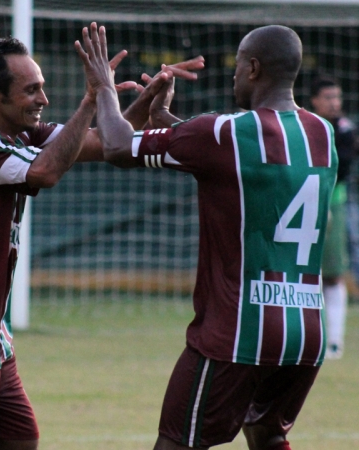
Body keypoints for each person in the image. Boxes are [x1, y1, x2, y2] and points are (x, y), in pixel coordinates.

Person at [0, 36, 204, 450]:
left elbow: (103, 142)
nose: (43, 98)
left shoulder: (20, 134)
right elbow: (47, 172)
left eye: (42, 87)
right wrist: (96, 94)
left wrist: (148, 102)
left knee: (21, 437)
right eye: (31, 90)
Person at [76, 23, 337, 450]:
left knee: (175, 442)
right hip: (305, 330)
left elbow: (118, 148)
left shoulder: (225, 133)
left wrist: (103, 87)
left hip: (238, 329)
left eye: (236, 66)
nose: (233, 75)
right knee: (267, 433)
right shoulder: (321, 134)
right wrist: (164, 122)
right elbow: (240, 162)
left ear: (253, 68)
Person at [310, 76, 357, 359]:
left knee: (334, 274)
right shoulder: (304, 126)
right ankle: (309, 337)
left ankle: (335, 342)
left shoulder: (344, 130)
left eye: (337, 97)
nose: (334, 103)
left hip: (333, 203)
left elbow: (344, 168)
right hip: (302, 203)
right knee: (303, 273)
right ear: (314, 100)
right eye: (328, 97)